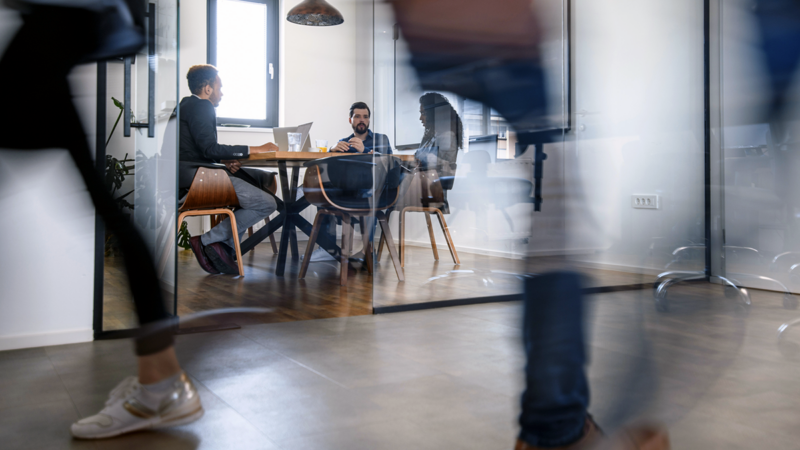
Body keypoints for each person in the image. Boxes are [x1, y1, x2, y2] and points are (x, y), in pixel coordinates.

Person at [390, 1, 670, 449]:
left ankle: (557, 423)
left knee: (556, 196)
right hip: (490, 36)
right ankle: (557, 428)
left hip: (458, 36)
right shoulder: (448, 112)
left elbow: (439, 159)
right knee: (558, 198)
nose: (422, 119)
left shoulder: (442, 122)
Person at [0, 0, 203, 439]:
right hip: (64, 25)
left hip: (60, 24)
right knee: (109, 207)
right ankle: (160, 379)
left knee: (108, 207)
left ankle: (161, 382)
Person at [179, 64, 279, 275]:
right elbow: (209, 148)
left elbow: (196, 149)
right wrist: (256, 148)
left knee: (250, 191)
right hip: (199, 180)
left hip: (184, 177)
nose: (221, 93)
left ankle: (225, 249)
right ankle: (206, 241)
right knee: (267, 202)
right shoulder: (201, 106)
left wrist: (223, 159)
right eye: (219, 87)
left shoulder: (184, 106)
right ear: (207, 89)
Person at [305, 102, 393, 263]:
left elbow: (389, 163)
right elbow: (331, 168)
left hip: (371, 190)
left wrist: (365, 151)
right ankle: (327, 248)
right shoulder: (344, 142)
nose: (362, 120)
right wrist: (332, 149)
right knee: (323, 194)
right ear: (350, 120)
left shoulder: (381, 139)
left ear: (369, 120)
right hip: (346, 190)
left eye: (365, 117)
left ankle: (366, 250)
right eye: (357, 116)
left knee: (371, 194)